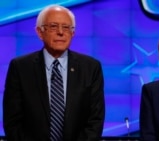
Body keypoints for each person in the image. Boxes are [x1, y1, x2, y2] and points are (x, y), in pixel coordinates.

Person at [3, 4, 105, 141]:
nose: (61, 32)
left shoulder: (91, 67)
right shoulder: (20, 68)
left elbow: (95, 121)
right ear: (40, 32)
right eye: (53, 26)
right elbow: (13, 122)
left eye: (66, 27)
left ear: (72, 33)